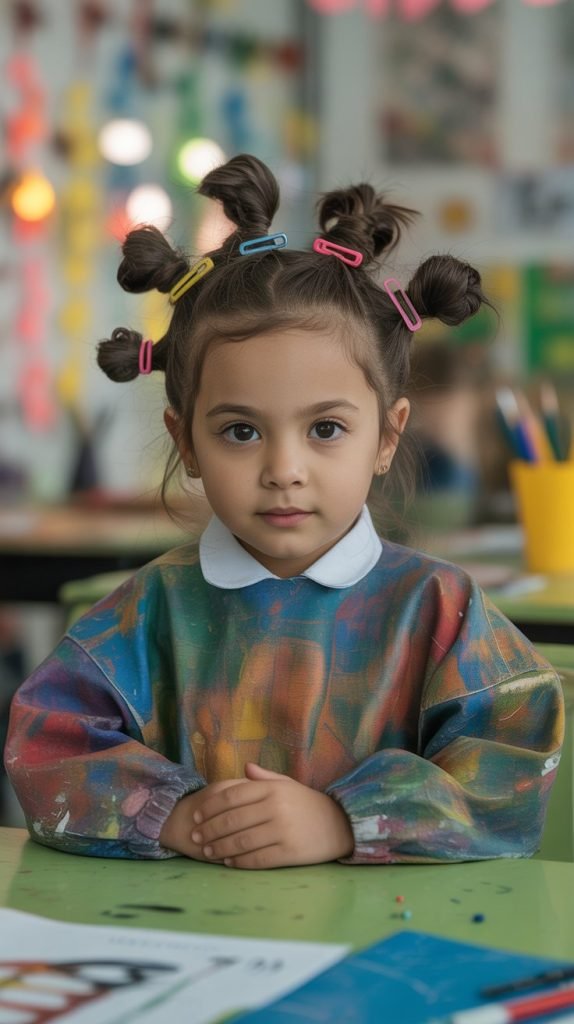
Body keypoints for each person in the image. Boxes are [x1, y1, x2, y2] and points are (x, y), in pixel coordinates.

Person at [4, 155, 564, 867]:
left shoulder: (440, 609)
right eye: (241, 431)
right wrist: (173, 813)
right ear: (189, 441)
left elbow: (512, 768)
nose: (284, 470)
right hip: (184, 938)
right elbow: (47, 742)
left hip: (388, 951)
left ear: (387, 436)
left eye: (325, 429)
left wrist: (346, 822)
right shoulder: (147, 610)